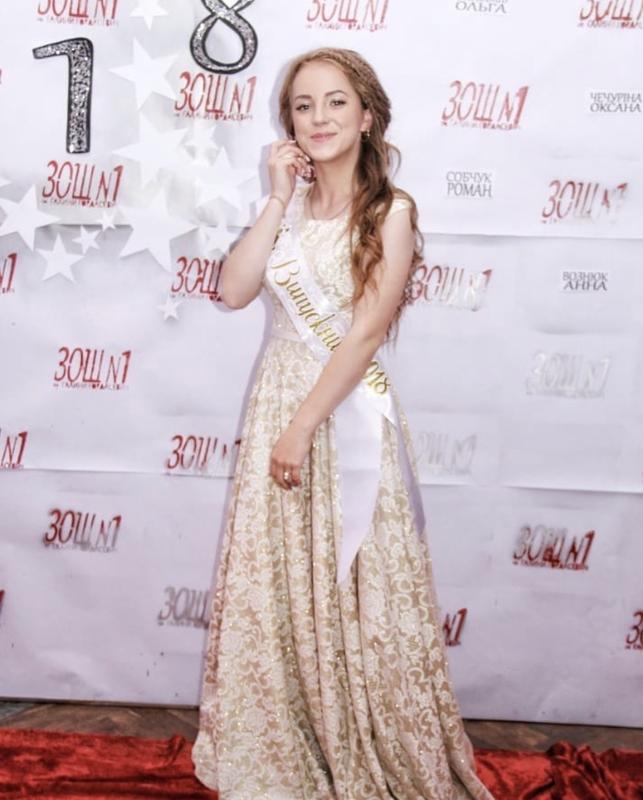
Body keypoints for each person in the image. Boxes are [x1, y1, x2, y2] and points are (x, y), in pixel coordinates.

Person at [191, 47, 496, 800]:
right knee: (283, 585)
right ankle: (293, 739)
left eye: (335, 102)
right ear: (288, 122)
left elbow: (363, 335)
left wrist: (300, 428)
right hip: (277, 400)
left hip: (343, 416)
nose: (319, 118)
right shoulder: (289, 209)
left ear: (366, 117)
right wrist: (275, 197)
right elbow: (231, 291)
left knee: (358, 584)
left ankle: (367, 745)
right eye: (303, 105)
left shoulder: (392, 211)